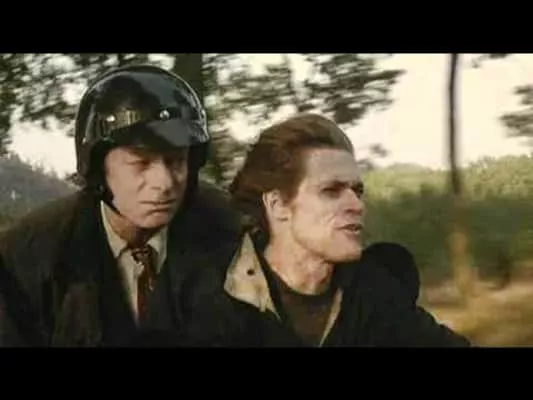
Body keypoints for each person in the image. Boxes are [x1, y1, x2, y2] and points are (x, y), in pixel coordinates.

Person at [0, 64, 242, 347]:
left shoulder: (233, 233)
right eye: (141, 162)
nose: (164, 182)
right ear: (98, 168)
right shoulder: (30, 257)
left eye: (176, 161)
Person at [221, 113, 471, 347]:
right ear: (278, 205)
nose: (356, 205)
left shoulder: (376, 292)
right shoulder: (213, 296)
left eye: (357, 191)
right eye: (331, 191)